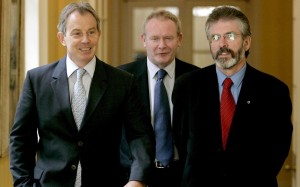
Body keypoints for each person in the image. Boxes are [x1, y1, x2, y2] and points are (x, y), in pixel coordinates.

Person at [9, 2, 155, 187]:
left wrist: (137, 179)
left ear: (99, 34)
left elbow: (140, 136)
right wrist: (24, 184)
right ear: (62, 38)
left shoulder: (123, 82)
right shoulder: (37, 80)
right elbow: (21, 139)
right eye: (77, 33)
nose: (86, 40)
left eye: (91, 32)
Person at [172, 5, 293, 187]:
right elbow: (182, 143)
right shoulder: (187, 86)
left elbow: (277, 151)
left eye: (230, 36)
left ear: (246, 42)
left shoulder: (273, 91)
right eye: (215, 37)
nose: (222, 44)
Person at [118, 9, 200, 187]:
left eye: (168, 38)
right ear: (144, 40)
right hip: (134, 177)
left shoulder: (196, 78)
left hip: (184, 177)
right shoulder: (122, 77)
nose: (161, 45)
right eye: (155, 38)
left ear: (179, 39)